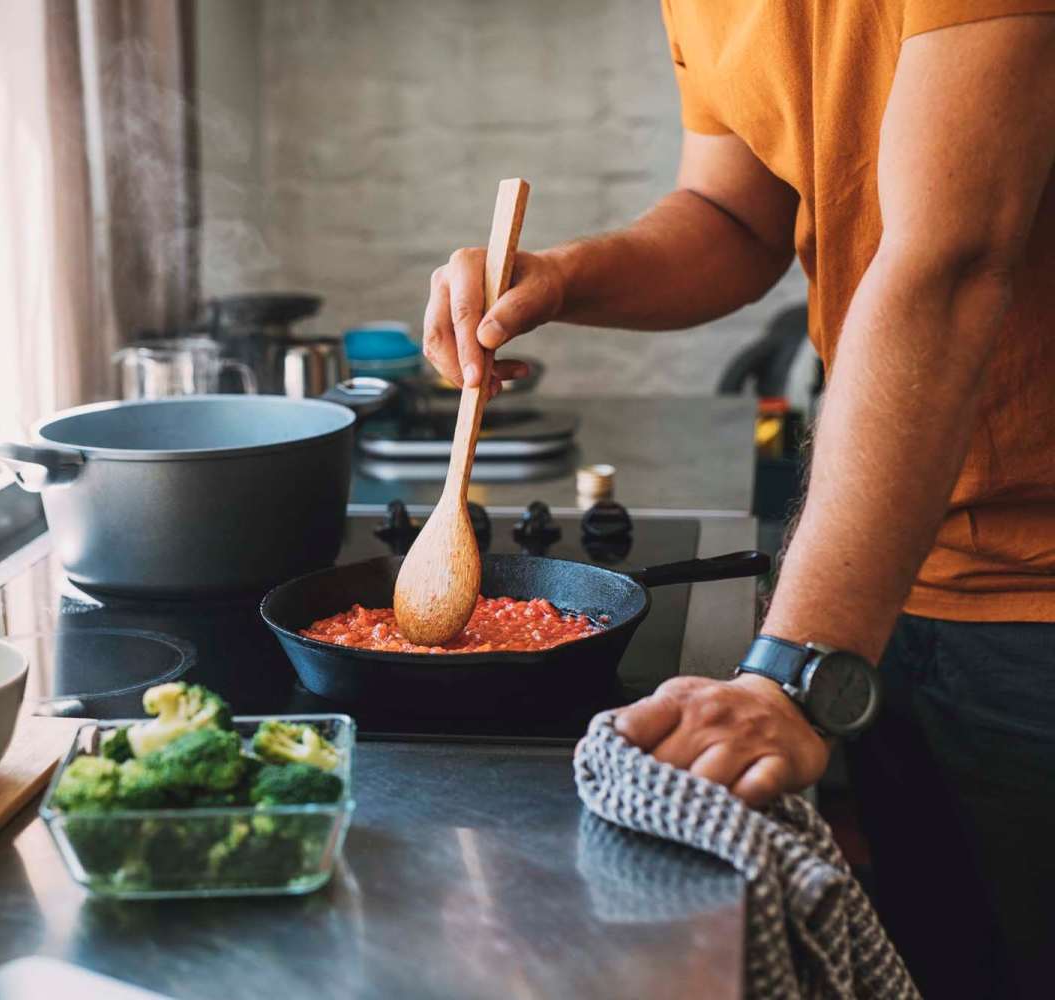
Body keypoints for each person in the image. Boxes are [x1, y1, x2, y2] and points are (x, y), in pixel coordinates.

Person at [421, 5, 1055, 996]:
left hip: (1039, 581)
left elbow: (954, 260)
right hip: (905, 567)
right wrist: (559, 278)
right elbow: (731, 217)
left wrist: (798, 670)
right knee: (943, 959)